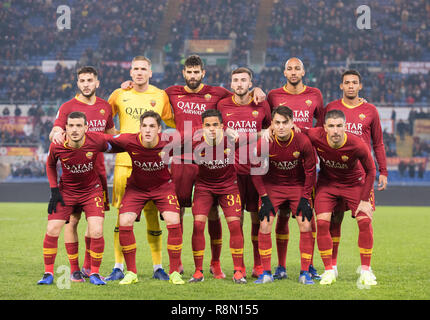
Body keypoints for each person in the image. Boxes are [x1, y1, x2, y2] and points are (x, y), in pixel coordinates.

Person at [106, 55, 176, 281]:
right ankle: (118, 266)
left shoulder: (160, 95)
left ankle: (158, 267)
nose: (139, 72)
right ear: (130, 72)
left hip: (151, 164)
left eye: (143, 69)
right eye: (135, 68)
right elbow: (104, 122)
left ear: (150, 72)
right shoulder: (119, 94)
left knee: (153, 215)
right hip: (124, 163)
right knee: (121, 218)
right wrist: (114, 140)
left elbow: (174, 121)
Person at [49, 66, 116, 282]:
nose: (86, 84)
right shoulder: (68, 106)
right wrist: (55, 134)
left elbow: (111, 136)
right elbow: (56, 130)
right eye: (82, 80)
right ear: (78, 83)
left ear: (97, 83)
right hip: (73, 177)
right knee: (73, 221)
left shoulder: (105, 107)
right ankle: (75, 269)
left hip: (97, 174)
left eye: (90, 80)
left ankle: (89, 266)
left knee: (94, 226)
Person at [105, 111, 184, 285]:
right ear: (140, 128)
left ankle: (174, 272)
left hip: (163, 187)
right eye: (144, 126)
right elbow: (102, 140)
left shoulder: (169, 141)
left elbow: (194, 140)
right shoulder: (129, 140)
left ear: (159, 129)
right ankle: (132, 272)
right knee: (124, 221)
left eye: (152, 126)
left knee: (173, 220)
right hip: (136, 188)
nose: (147, 130)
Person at [324, 69, 388, 276]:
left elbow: (378, 143)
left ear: (360, 86)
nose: (350, 86)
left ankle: (366, 269)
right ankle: (332, 267)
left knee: (365, 219)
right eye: (347, 82)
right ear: (341, 86)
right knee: (334, 220)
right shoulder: (331, 108)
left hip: (361, 177)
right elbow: (318, 136)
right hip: (333, 175)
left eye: (354, 82)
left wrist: (383, 170)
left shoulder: (370, 110)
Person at [303, 109, 377, 286]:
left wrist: (365, 200)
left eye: (339, 126)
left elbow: (371, 170)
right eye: (331, 126)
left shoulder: (357, 144)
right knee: (321, 223)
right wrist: (268, 131)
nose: (335, 130)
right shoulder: (315, 135)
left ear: (345, 127)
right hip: (327, 184)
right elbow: (296, 129)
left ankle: (366, 271)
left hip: (354, 184)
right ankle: (329, 270)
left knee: (365, 221)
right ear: (324, 127)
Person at [265, 57, 323, 280]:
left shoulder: (315, 94)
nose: (293, 72)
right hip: (279, 164)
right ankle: (280, 266)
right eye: (289, 68)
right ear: (284, 72)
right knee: (280, 217)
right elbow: (265, 122)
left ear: (303, 71)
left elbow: (323, 125)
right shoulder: (273, 95)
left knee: (308, 216)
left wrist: (304, 133)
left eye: (297, 68)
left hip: (304, 164)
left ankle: (308, 266)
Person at [38, 112, 111, 286]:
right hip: (66, 191)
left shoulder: (96, 140)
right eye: (71, 126)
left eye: (79, 126)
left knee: (96, 230)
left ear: (86, 127)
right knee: (52, 228)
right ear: (65, 128)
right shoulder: (57, 145)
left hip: (91, 191)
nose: (75, 129)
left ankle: (94, 273)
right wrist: (54, 190)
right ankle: (48, 273)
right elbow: (49, 164)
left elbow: (117, 142)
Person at [251, 106, 316, 284]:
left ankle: (304, 272)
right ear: (271, 124)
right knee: (264, 225)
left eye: (285, 123)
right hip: (272, 187)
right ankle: (266, 273)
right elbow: (255, 170)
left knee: (306, 224)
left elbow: (311, 171)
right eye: (277, 123)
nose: (281, 127)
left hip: (297, 186)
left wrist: (305, 197)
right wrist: (264, 197)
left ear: (292, 123)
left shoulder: (302, 141)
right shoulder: (264, 142)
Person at [217, 67, 271, 278]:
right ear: (231, 84)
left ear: (251, 84)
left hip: (258, 172)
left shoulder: (262, 104)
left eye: (244, 80)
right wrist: (222, 131)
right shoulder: (222, 105)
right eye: (235, 80)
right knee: (235, 220)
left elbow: (270, 128)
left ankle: (258, 266)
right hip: (232, 174)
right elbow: (209, 126)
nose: (239, 84)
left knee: (257, 219)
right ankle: (238, 267)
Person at [188, 109, 246, 284]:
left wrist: (267, 132)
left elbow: (254, 137)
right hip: (204, 187)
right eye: (207, 125)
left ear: (222, 126)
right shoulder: (194, 142)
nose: (211, 129)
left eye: (215, 125)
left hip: (228, 187)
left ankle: (238, 271)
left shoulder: (232, 139)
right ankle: (198, 271)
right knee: (198, 225)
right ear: (202, 127)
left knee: (235, 225)